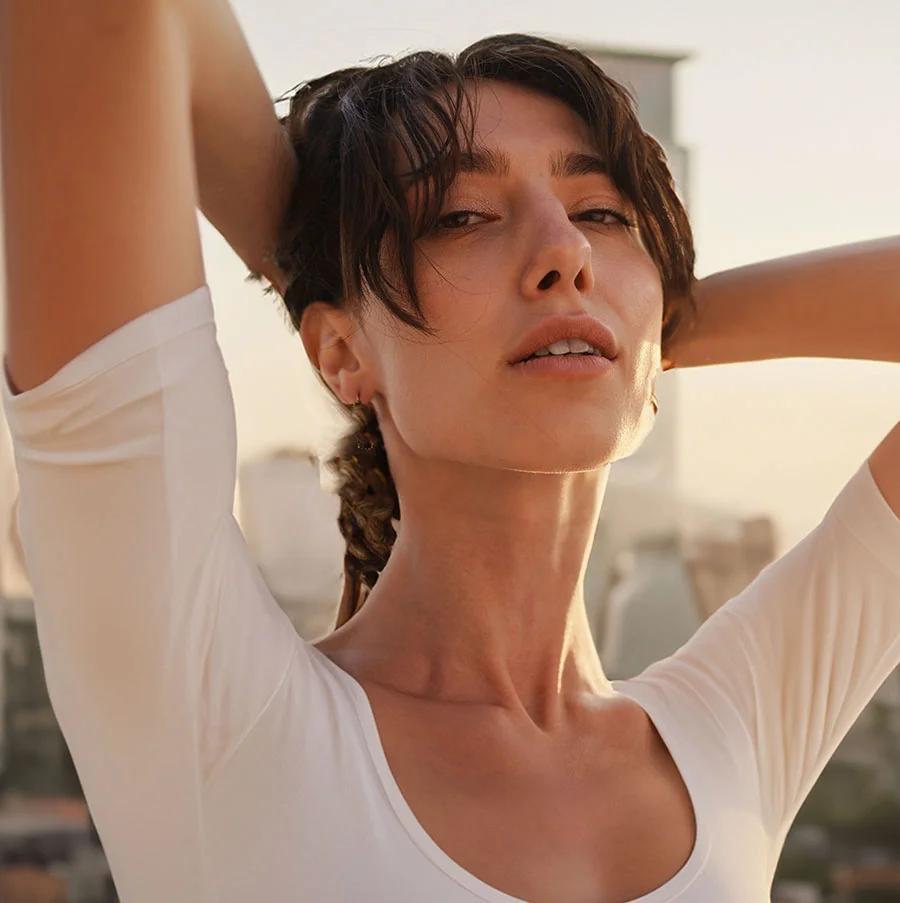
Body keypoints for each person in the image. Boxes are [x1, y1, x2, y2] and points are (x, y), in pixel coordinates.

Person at [1, 2, 899, 902]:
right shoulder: (219, 720)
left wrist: (644, 330)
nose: (565, 249)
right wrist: (336, 285)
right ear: (336, 353)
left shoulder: (732, 731)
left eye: (601, 211)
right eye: (462, 214)